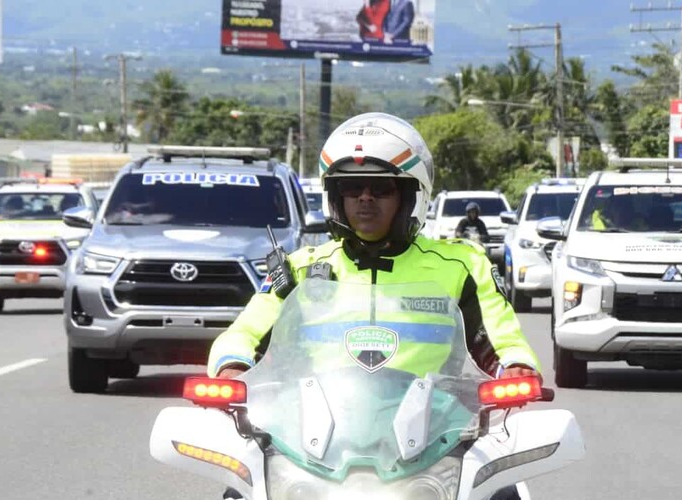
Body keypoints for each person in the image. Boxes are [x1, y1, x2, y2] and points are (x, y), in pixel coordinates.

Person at [207, 112, 541, 387]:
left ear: (410, 197)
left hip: (435, 432)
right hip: (312, 434)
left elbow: (502, 340)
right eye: (352, 187)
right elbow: (245, 332)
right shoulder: (300, 268)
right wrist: (232, 365)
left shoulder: (461, 265)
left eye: (381, 188)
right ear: (336, 198)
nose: (365, 198)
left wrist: (516, 366)